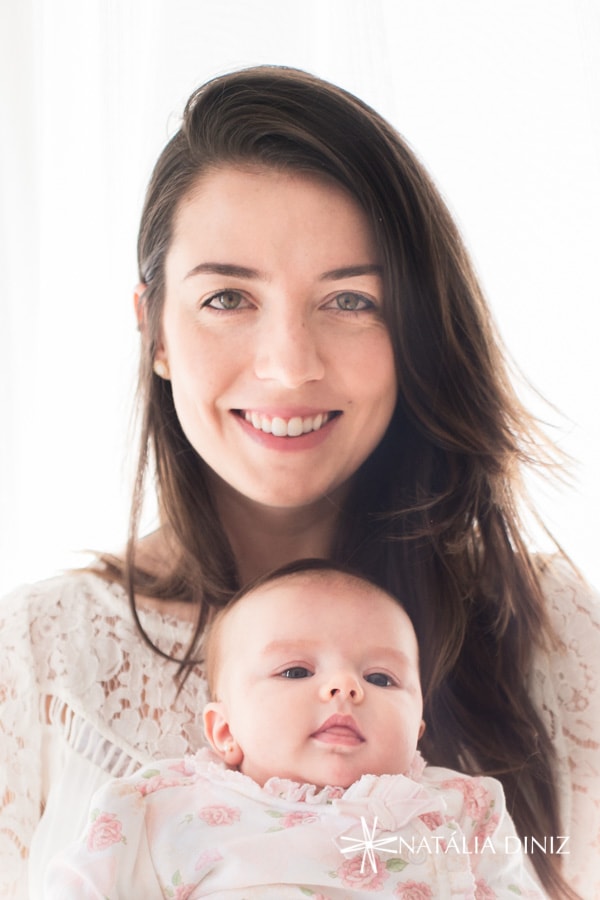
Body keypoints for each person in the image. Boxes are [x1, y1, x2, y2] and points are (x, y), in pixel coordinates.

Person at [0, 65, 597, 899]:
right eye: (227, 298)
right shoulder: (37, 658)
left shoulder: (549, 632)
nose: (289, 366)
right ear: (155, 330)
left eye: (350, 300)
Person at [44, 561, 546, 899]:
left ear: (417, 727)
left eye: (380, 678)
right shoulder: (161, 809)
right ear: (224, 731)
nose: (345, 687)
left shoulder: (463, 810)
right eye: (296, 671)